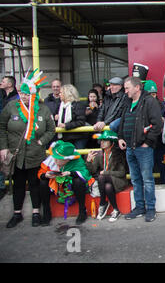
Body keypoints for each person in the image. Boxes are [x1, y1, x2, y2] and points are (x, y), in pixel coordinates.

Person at [0, 69, 55, 228]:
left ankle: (36, 213)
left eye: (27, 94)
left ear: (34, 95)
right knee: (17, 184)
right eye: (21, 93)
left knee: (34, 183)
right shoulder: (11, 106)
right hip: (16, 154)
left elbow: (51, 130)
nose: (23, 96)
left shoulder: (43, 109)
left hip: (35, 154)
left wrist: (41, 141)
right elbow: (2, 127)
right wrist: (3, 148)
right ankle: (16, 213)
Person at [118, 77, 163, 222]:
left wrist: (148, 142)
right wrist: (120, 137)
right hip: (130, 147)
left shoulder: (149, 101)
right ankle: (139, 207)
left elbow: (157, 125)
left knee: (147, 179)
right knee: (136, 180)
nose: (125, 91)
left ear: (137, 88)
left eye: (127, 88)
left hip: (143, 148)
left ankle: (150, 209)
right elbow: (122, 121)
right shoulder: (127, 102)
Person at [38, 140, 94, 225]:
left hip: (70, 184)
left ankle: (82, 211)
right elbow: (40, 172)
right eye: (55, 157)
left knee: (78, 181)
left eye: (59, 159)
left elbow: (85, 174)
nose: (55, 160)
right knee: (42, 182)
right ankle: (46, 212)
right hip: (55, 183)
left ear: (68, 159)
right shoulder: (52, 158)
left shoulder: (77, 161)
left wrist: (70, 173)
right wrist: (45, 175)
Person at [86, 130, 127, 222]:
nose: (102, 142)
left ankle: (102, 203)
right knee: (107, 187)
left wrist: (106, 173)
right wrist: (88, 161)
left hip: (119, 181)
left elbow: (122, 173)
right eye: (101, 140)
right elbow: (92, 171)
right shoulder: (99, 154)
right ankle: (116, 210)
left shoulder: (118, 154)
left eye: (105, 140)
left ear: (111, 142)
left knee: (102, 177)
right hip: (106, 182)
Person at [144, 80, 165, 185]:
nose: (152, 97)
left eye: (154, 94)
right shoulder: (141, 106)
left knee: (164, 163)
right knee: (148, 165)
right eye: (149, 94)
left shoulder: (163, 105)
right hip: (148, 140)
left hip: (160, 140)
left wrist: (163, 120)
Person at [56, 84, 88, 149]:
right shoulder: (60, 106)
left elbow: (81, 122)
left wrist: (66, 125)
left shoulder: (78, 105)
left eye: (61, 93)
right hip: (65, 138)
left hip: (78, 138)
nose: (59, 94)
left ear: (67, 94)